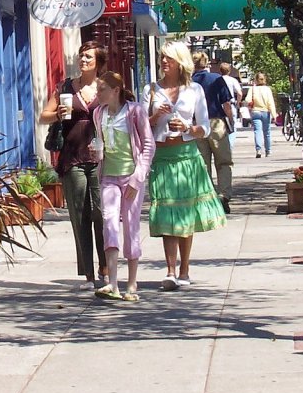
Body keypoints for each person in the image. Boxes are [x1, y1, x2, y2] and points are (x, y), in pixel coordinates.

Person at [146, 41, 226, 291]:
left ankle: (184, 269)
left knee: (185, 215)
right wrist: (155, 116)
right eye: (162, 57)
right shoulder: (151, 90)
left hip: (187, 156)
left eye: (168, 58)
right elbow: (141, 126)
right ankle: (170, 270)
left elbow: (204, 128)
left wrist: (187, 128)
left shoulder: (195, 90)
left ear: (180, 62)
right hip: (163, 158)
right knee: (168, 214)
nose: (163, 62)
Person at [39, 41, 107, 289]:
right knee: (80, 216)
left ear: (98, 61)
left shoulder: (106, 87)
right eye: (81, 56)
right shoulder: (65, 88)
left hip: (101, 159)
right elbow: (43, 115)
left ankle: (105, 266)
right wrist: (58, 114)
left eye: (89, 57)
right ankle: (88, 273)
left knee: (102, 214)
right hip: (73, 158)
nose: (84, 60)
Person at [89, 71, 155, 301]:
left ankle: (132, 283)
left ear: (115, 91)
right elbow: (101, 147)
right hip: (108, 175)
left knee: (131, 224)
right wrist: (96, 151)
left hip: (130, 176)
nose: (98, 94)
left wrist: (138, 176)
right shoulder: (99, 114)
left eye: (102, 90)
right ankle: (113, 282)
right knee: (109, 221)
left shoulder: (134, 111)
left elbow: (148, 145)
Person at [191, 52, 234, 214]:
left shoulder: (190, 82)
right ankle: (224, 195)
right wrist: (230, 120)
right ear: (207, 62)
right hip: (216, 122)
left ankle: (208, 197)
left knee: (203, 164)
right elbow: (226, 104)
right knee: (224, 162)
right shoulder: (216, 79)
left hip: (197, 125)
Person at [246, 72, 277, 158]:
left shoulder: (252, 89)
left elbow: (248, 100)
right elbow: (270, 103)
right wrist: (274, 115)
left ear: (256, 80)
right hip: (265, 112)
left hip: (255, 112)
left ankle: (258, 150)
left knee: (257, 131)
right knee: (267, 132)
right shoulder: (267, 89)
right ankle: (268, 150)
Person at [219, 62, 244, 149]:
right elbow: (240, 93)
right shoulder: (233, 80)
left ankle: (223, 146)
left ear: (220, 71)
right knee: (232, 126)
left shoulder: (217, 80)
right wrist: (238, 103)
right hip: (231, 105)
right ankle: (229, 147)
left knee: (221, 127)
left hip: (219, 106)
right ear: (229, 71)